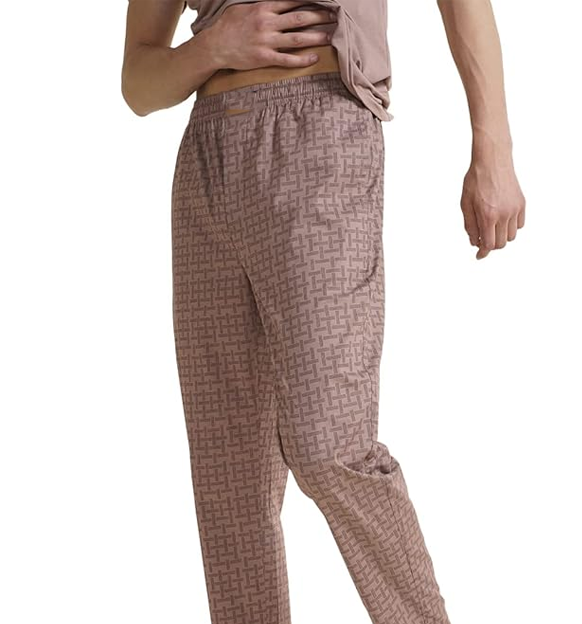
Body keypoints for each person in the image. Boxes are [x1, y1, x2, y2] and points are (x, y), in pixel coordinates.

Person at [121, 1, 525, 623]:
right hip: (207, 155)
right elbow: (139, 82)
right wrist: (212, 47)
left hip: (320, 129)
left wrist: (493, 148)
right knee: (229, 477)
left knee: (329, 447)